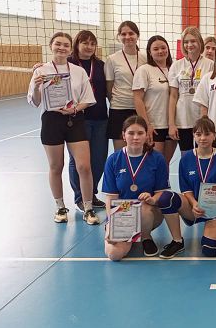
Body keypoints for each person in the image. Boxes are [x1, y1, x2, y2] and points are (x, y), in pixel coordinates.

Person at [27, 32, 99, 225]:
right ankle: (60, 207)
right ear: (51, 45)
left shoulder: (78, 71)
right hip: (51, 120)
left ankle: (88, 208)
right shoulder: (40, 71)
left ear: (70, 48)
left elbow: (88, 99)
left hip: (74, 118)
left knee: (84, 166)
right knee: (56, 166)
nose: (61, 48)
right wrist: (36, 87)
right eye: (58, 44)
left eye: (66, 45)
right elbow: (35, 102)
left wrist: (74, 109)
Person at [102, 116, 190, 260]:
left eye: (140, 133)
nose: (135, 137)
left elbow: (161, 192)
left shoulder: (157, 158)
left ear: (146, 135)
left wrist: (152, 199)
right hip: (121, 214)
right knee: (114, 254)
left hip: (149, 212)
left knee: (143, 208)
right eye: (131, 133)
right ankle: (128, 234)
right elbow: (111, 197)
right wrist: (112, 223)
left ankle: (146, 237)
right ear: (123, 135)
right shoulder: (113, 160)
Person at [178, 117, 216, 258]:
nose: (202, 138)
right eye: (198, 134)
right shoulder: (186, 159)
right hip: (195, 208)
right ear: (193, 135)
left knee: (210, 250)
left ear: (214, 136)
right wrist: (194, 204)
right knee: (171, 199)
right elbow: (185, 189)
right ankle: (176, 241)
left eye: (207, 134)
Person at [67, 30, 108, 210]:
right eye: (85, 43)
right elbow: (51, 71)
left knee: (98, 159)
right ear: (77, 44)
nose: (89, 47)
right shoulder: (68, 63)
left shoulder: (100, 65)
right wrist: (39, 67)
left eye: (92, 43)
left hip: (100, 118)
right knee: (79, 161)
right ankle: (80, 198)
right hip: (78, 119)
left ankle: (91, 194)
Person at [167, 27, 215, 153]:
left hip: (203, 117)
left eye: (193, 41)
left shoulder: (210, 64)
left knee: (205, 153)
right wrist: (171, 124)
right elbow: (173, 96)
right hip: (183, 118)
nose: (189, 44)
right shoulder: (176, 65)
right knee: (186, 155)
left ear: (200, 42)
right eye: (186, 42)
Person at [133, 35, 177, 165]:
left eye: (163, 48)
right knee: (153, 164)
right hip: (155, 125)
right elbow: (137, 99)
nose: (160, 51)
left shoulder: (174, 69)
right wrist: (147, 125)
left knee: (165, 164)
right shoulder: (144, 70)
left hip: (172, 124)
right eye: (156, 49)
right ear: (150, 52)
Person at [105, 21, 147, 150]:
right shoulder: (112, 59)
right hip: (119, 109)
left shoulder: (145, 58)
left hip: (140, 109)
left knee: (140, 150)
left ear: (137, 35)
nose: (127, 37)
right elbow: (109, 87)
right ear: (119, 36)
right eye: (123, 34)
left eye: (131, 33)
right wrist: (119, 100)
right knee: (120, 152)